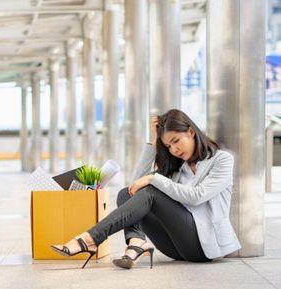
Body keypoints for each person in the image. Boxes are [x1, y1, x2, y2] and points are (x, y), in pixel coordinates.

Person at [50, 109, 242, 269]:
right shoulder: (178, 168)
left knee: (151, 189)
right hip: (174, 246)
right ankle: (135, 241)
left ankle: (89, 239)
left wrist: (153, 178)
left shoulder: (222, 159)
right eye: (168, 146)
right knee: (127, 192)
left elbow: (196, 197)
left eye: (176, 141)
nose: (173, 150)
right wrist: (152, 143)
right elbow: (135, 186)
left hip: (204, 246)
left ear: (191, 132)